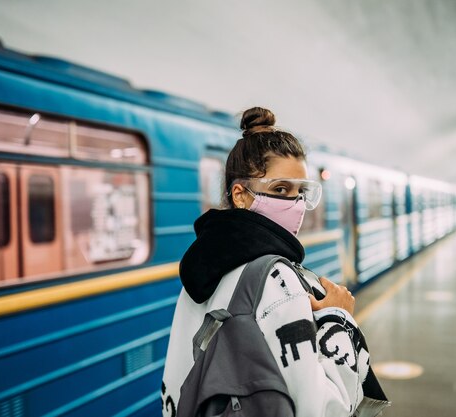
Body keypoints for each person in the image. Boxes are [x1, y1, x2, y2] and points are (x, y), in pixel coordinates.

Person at [161, 107, 388, 417]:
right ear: (240, 195)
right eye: (280, 189)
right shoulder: (277, 280)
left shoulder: (194, 278)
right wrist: (340, 317)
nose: (295, 204)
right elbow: (320, 410)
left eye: (301, 192)